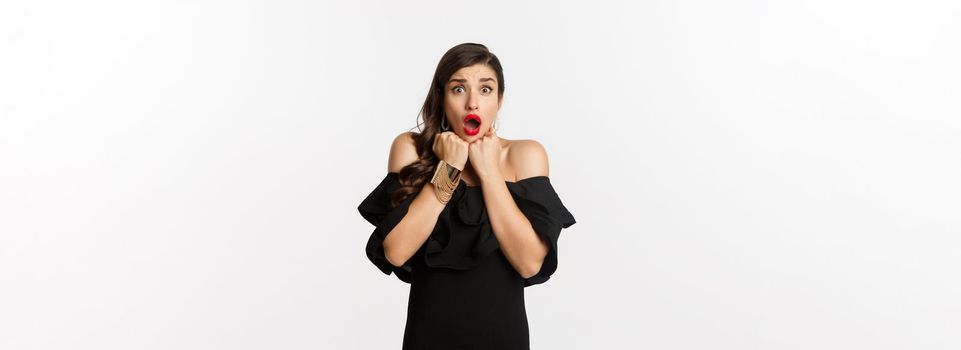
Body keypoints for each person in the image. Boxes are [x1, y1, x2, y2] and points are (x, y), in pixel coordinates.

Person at [357, 43, 576, 349]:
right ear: (442, 97)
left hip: (503, 338)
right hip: (428, 338)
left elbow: (530, 263)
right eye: (459, 89)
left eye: (485, 90)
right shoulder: (410, 148)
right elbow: (396, 251)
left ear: (499, 100)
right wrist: (449, 168)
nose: (473, 103)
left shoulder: (524, 154)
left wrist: (488, 172)